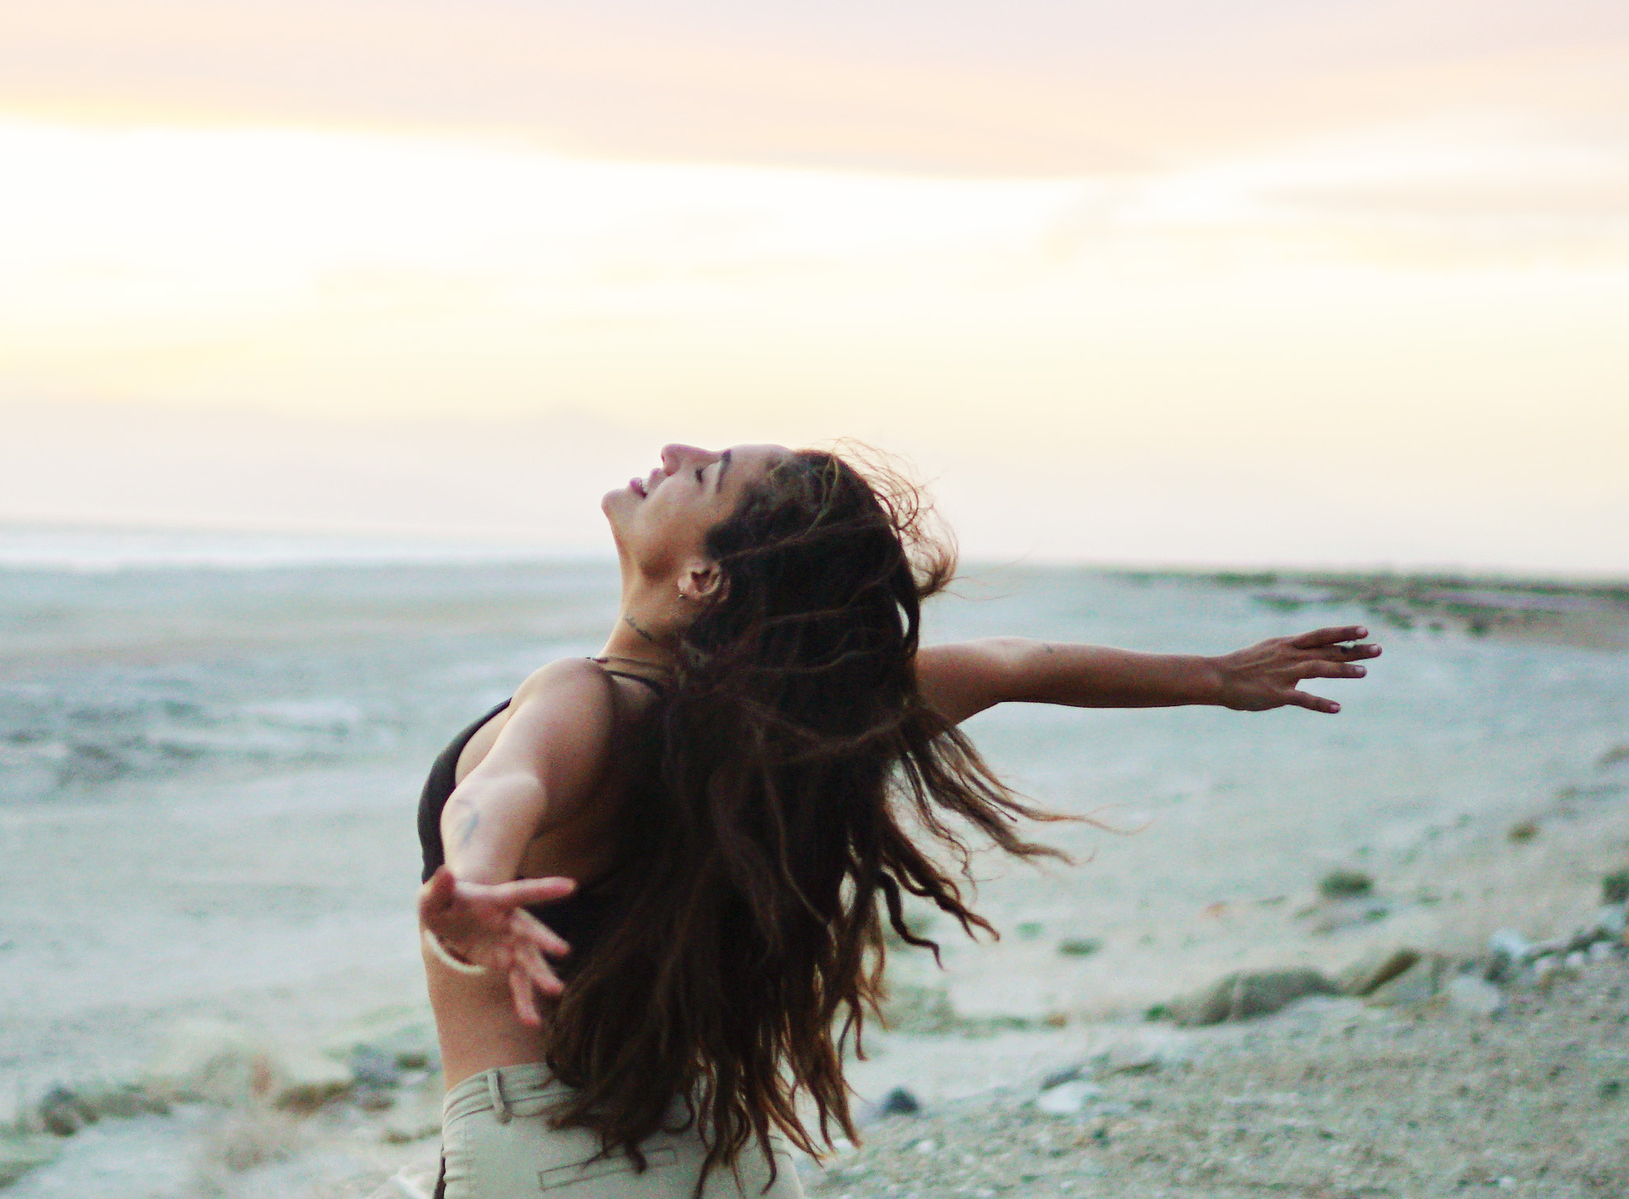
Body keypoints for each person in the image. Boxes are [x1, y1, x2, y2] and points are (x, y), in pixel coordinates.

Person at [416, 442, 1378, 1197]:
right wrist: (1212, 678)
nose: (670, 451)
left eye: (699, 474)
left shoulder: (586, 694)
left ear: (703, 578)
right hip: (712, 1147)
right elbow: (1015, 665)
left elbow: (503, 786)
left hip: (542, 1150)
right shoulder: (785, 728)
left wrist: (476, 878)